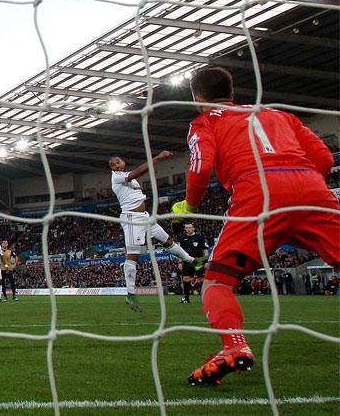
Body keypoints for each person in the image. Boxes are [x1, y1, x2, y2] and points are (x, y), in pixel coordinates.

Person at [171, 67, 339, 386]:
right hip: (311, 189)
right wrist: (298, 185)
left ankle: (234, 347)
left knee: (218, 281)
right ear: (232, 92)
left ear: (197, 98)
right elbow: (325, 160)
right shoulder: (277, 114)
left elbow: (201, 165)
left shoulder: (204, 121)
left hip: (257, 192)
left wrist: (189, 205)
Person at [108, 153, 204, 313]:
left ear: (123, 162)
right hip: (132, 218)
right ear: (112, 169)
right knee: (133, 254)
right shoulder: (117, 177)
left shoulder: (127, 176)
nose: (116, 165)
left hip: (145, 217)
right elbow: (137, 172)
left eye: (118, 162)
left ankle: (193, 261)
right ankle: (130, 294)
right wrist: (157, 158)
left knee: (167, 241)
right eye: (113, 164)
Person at [175, 222, 209, 303]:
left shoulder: (199, 237)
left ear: (194, 228)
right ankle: (186, 298)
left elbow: (205, 250)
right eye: (187, 228)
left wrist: (206, 261)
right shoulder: (182, 238)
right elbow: (180, 251)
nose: (188, 229)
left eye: (190, 227)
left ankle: (207, 296)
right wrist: (180, 262)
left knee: (202, 279)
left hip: (198, 260)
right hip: (187, 261)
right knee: (186, 278)